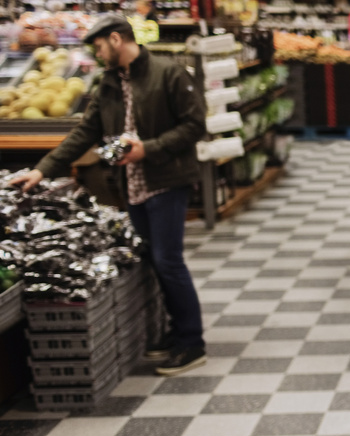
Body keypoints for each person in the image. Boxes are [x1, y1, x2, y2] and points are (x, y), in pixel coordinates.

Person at [10, 14, 208, 377]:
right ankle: (174, 331)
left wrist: (147, 149)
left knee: (168, 260)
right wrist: (42, 170)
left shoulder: (169, 73)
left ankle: (191, 342)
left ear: (116, 39)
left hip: (166, 180)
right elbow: (85, 132)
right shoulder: (109, 84)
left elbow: (195, 125)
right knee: (152, 257)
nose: (98, 55)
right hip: (131, 185)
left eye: (99, 47)